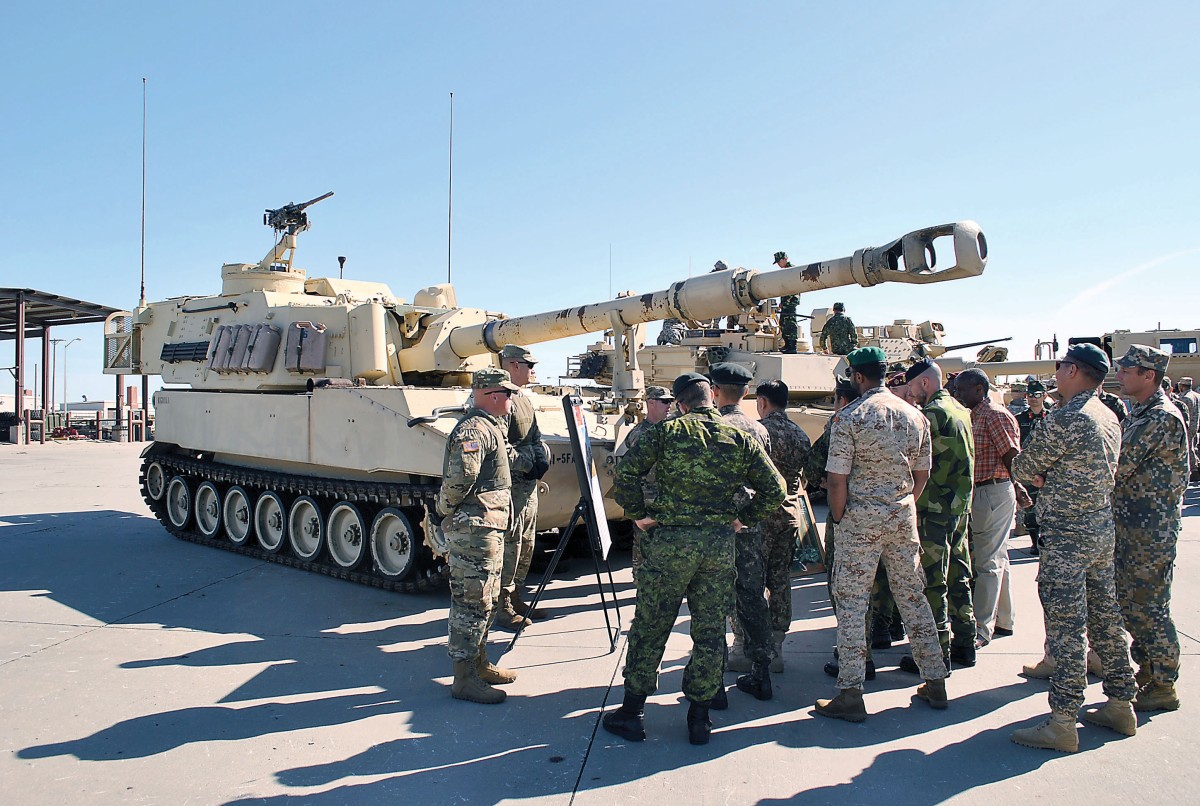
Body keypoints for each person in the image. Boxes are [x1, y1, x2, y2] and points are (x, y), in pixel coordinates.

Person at [603, 372, 785, 745]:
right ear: (711, 398)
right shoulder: (739, 436)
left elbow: (624, 475)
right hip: (718, 547)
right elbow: (776, 488)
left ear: (681, 403)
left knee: (651, 625)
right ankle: (699, 718)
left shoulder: (665, 433)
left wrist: (640, 515)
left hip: (669, 544)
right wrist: (742, 519)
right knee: (709, 631)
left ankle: (633, 712)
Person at [1009, 344, 1138, 752]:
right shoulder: (1107, 414)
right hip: (1100, 528)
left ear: (1075, 371)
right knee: (1105, 620)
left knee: (1067, 630)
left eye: (1062, 365)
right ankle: (1121, 702)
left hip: (1067, 535)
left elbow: (1024, 467)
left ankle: (1063, 721)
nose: (1058, 371)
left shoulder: (1066, 418)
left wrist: (1046, 477)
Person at [815, 347, 949, 722]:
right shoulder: (915, 416)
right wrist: (900, 504)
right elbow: (922, 476)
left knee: (853, 605)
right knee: (913, 597)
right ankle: (935, 681)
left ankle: (851, 692)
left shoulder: (849, 418)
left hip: (859, 521)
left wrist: (840, 520)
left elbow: (837, 481)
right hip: (902, 518)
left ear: (858, 377)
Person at [435, 367, 521, 704]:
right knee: (472, 601)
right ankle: (464, 678)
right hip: (474, 530)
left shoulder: (489, 427)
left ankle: (480, 663)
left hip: (488, 527)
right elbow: (459, 480)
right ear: (494, 395)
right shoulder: (474, 429)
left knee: (486, 598)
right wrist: (442, 511)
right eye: (508, 393)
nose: (512, 399)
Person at [1113, 345, 1189, 712]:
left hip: (1149, 531)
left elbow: (1118, 465)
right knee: (1133, 605)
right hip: (1133, 527)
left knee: (1149, 607)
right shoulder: (1141, 413)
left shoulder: (1159, 417)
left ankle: (1163, 684)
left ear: (1149, 376)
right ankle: (1149, 669)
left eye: (1128, 371)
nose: (1121, 375)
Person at [896, 358, 978, 672]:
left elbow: (913, 464)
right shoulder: (960, 410)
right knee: (959, 574)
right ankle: (964, 643)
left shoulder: (930, 415)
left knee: (932, 581)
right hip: (959, 507)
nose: (911, 392)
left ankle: (935, 653)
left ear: (926, 383)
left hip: (934, 510)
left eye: (913, 386)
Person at [710, 362, 777, 701]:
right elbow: (771, 485)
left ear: (714, 391)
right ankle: (761, 672)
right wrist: (748, 518)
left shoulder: (709, 427)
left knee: (712, 602)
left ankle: (714, 684)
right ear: (746, 392)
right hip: (747, 527)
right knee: (751, 597)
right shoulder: (758, 429)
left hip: (714, 529)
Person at [952, 368, 1023, 647]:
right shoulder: (975, 414)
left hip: (992, 491)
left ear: (980, 389)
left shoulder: (994, 415)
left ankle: (981, 628)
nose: (958, 394)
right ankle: (1004, 619)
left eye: (962, 389)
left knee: (986, 562)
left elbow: (1011, 456)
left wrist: (1019, 488)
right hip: (983, 492)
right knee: (997, 559)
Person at [754, 378, 813, 672]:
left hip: (761, 516)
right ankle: (777, 647)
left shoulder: (759, 431)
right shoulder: (800, 434)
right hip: (789, 515)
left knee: (752, 581)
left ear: (762, 402)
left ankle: (751, 647)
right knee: (780, 579)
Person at [495, 344, 551, 630]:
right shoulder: (501, 399)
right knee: (510, 544)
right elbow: (500, 447)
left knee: (526, 544)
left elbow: (535, 436)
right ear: (513, 365)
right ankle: (502, 605)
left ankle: (516, 595)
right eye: (529, 366)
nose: (533, 371)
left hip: (527, 487)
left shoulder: (523, 399)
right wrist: (529, 463)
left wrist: (541, 458)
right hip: (513, 485)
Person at [613, 386, 675, 581]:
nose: (669, 405)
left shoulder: (668, 428)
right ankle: (642, 583)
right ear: (651, 403)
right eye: (665, 401)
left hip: (666, 500)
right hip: (648, 500)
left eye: (670, 401)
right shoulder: (641, 433)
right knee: (644, 549)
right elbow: (628, 473)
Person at [1015, 379, 1052, 555]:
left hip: (1049, 470)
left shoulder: (1053, 416)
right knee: (1030, 510)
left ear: (1044, 396)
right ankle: (1034, 542)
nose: (1034, 398)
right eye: (1030, 395)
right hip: (1029, 471)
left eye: (1037, 395)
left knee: (1049, 509)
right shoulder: (1019, 419)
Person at [772, 251, 801, 354]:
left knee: (790, 324)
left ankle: (792, 346)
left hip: (791, 302)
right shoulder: (785, 271)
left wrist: (787, 301)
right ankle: (787, 345)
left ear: (785, 259)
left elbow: (793, 289)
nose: (779, 264)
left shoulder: (791, 270)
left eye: (779, 261)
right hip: (786, 303)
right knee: (783, 323)